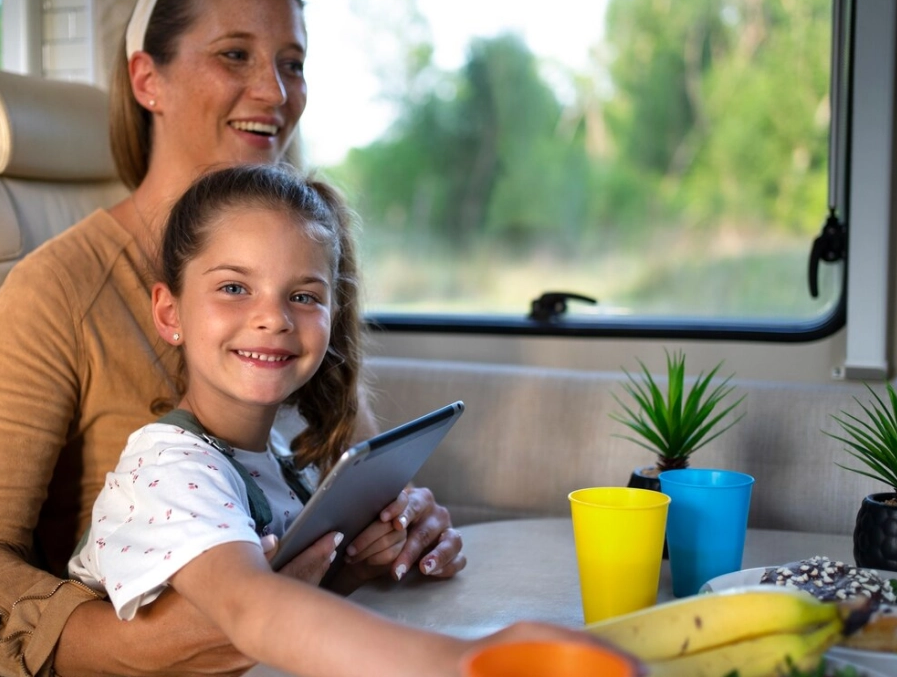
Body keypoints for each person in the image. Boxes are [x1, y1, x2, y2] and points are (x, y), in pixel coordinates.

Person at [0, 0, 465, 676]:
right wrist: (152, 643)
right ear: (148, 79)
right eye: (235, 54)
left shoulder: (300, 271)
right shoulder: (56, 292)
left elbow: (337, 476)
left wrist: (395, 527)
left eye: (292, 64)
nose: (275, 92)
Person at [68, 163, 634, 677]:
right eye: (234, 288)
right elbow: (251, 609)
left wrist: (362, 564)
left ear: (332, 316)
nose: (273, 317)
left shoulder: (285, 461)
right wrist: (466, 658)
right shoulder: (166, 469)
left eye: (304, 296)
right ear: (170, 313)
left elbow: (290, 597)